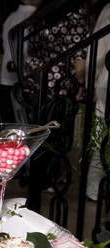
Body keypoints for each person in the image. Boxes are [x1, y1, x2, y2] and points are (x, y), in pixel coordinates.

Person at [86, 2, 110, 201]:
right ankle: (95, 188)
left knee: (101, 135)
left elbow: (98, 48)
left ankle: (95, 189)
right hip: (106, 82)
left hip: (106, 80)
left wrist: (90, 81)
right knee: (101, 134)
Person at [0, 0, 40, 86]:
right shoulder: (37, 17)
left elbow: (5, 44)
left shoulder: (11, 17)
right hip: (26, 75)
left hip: (9, 70)